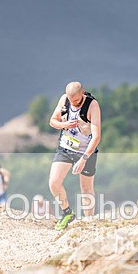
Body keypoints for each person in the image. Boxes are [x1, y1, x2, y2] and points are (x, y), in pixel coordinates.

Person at [48, 81, 101, 230]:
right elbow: (53, 121)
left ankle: (89, 222)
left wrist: (84, 158)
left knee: (86, 188)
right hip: (65, 147)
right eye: (72, 101)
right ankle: (67, 212)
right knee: (54, 182)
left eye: (77, 101)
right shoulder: (64, 100)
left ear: (82, 93)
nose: (74, 104)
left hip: (86, 151)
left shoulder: (92, 105)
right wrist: (64, 125)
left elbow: (96, 136)